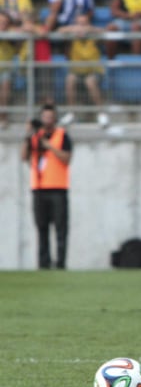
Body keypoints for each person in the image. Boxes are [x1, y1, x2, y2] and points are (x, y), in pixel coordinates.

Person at [20, 104, 73, 270]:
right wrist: (27, 135)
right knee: (41, 228)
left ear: (55, 118)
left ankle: (61, 264)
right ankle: (43, 264)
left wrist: (49, 146)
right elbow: (24, 157)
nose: (47, 120)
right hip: (39, 188)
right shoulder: (34, 137)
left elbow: (66, 158)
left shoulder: (62, 136)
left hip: (58, 188)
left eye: (51, 117)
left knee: (60, 229)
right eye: (45, 117)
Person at [57, 13, 109, 127]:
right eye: (79, 23)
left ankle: (101, 114)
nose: (81, 27)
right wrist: (74, 29)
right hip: (77, 69)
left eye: (84, 23)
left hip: (93, 69)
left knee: (90, 82)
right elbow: (60, 30)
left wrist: (88, 29)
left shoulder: (93, 35)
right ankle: (71, 113)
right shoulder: (73, 35)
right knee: (70, 80)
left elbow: (103, 31)